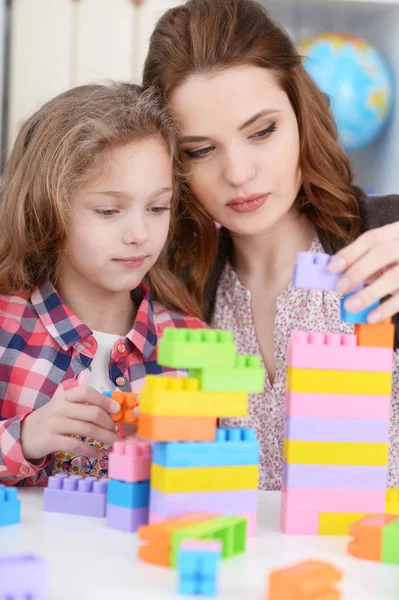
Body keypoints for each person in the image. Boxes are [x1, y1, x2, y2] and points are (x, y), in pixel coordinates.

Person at [142, 0, 399, 490]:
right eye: (201, 149)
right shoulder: (170, 285)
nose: (238, 174)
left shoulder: (385, 236)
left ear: (302, 113)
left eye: (262, 131)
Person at [0, 82, 205, 486]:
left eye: (157, 207)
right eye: (109, 210)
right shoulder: (5, 328)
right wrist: (24, 437)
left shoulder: (192, 344)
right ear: (47, 209)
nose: (140, 234)